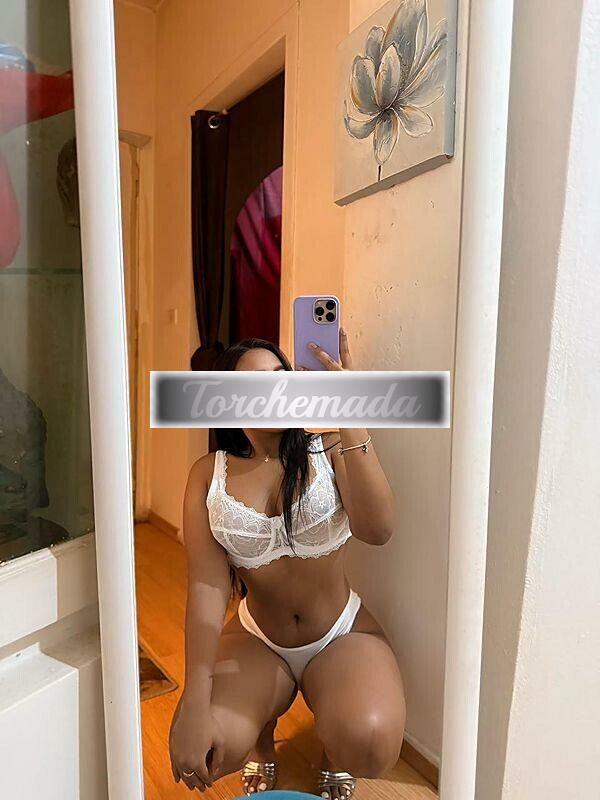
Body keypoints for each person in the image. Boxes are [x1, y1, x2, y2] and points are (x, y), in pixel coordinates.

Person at [169, 331, 406, 799]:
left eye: (282, 375)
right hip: (258, 637)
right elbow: (206, 588)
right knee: (210, 750)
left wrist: (349, 413)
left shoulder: (330, 446)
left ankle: (333, 750)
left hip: (339, 632)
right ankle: (262, 737)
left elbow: (378, 529)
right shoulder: (208, 473)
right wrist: (193, 698)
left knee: (371, 744)